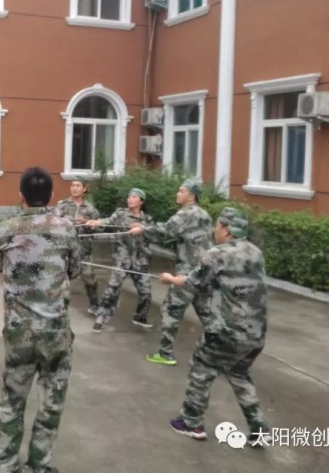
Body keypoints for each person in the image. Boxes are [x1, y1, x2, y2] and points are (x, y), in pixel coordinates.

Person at [0, 167, 80, 473]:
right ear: (52, 196)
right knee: (51, 400)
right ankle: (39, 464)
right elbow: (74, 269)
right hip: (55, 331)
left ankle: (5, 462)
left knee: (13, 398)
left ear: (21, 196)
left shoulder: (5, 229)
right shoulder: (66, 228)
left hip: (19, 332)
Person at [161, 207, 270, 445]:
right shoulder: (256, 252)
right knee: (239, 374)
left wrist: (170, 279)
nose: (214, 230)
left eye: (218, 226)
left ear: (227, 230)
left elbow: (192, 282)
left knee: (201, 369)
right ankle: (259, 429)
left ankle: (191, 421)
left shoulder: (216, 253)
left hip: (227, 330)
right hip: (256, 333)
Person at [131, 179, 213, 366]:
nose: (177, 193)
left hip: (187, 271)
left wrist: (142, 229)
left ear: (191, 196)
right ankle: (225, 354)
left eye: (181, 191)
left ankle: (165, 354)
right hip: (204, 271)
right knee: (208, 315)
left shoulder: (185, 214)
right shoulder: (204, 214)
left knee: (170, 310)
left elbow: (165, 231)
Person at [85, 188, 154, 333]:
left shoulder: (147, 219)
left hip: (140, 260)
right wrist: (96, 222)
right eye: (129, 197)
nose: (130, 199)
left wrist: (143, 228)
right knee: (112, 289)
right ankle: (101, 318)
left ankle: (140, 317)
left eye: (134, 197)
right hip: (122, 258)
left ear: (141, 201)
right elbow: (108, 221)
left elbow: (154, 234)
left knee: (146, 292)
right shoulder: (121, 214)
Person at [53, 178, 100, 315]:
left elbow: (99, 228)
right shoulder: (62, 205)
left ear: (84, 189)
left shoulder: (90, 208)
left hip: (84, 251)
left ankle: (94, 306)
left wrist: (87, 222)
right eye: (72, 185)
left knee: (91, 281)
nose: (74, 188)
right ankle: (57, 307)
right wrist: (67, 223)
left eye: (78, 186)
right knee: (59, 280)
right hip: (65, 250)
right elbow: (54, 223)